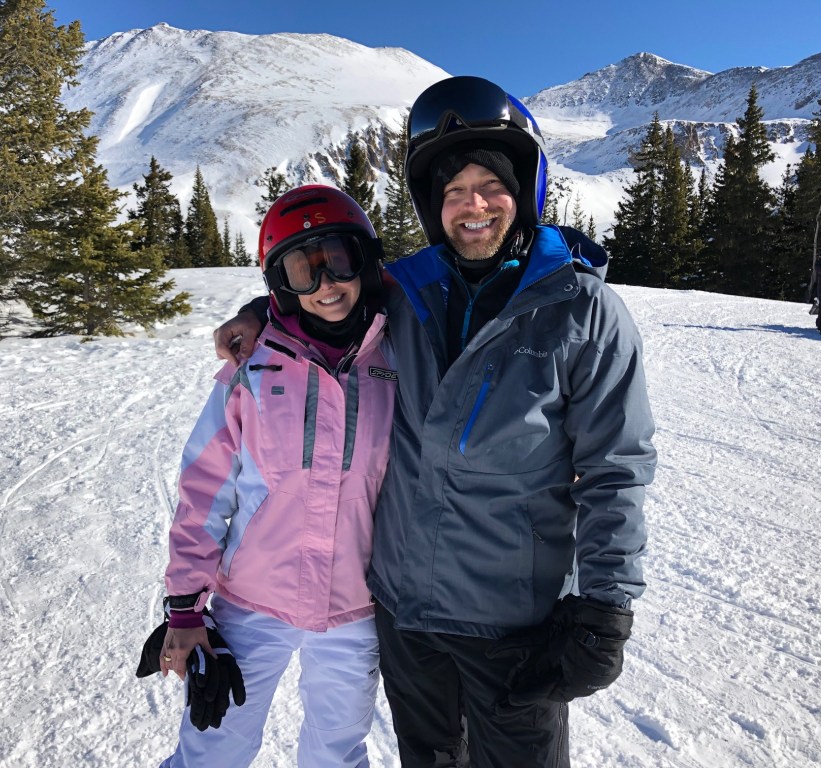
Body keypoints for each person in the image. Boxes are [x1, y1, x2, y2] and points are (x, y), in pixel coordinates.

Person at [214, 75, 657, 768]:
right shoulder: (406, 288)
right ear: (431, 205)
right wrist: (257, 314)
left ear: (524, 191)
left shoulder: (582, 311)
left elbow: (615, 469)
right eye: (453, 192)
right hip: (406, 614)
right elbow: (322, 295)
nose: (472, 206)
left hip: (511, 621)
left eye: (491, 186)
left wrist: (605, 609)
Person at [158, 185, 397, 768]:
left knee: (336, 756)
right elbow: (204, 488)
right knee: (211, 748)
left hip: (354, 608)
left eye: (338, 260)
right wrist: (185, 605)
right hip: (252, 602)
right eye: (302, 271)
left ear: (364, 260)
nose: (326, 284)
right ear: (279, 285)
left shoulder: (400, 355)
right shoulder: (254, 367)